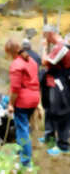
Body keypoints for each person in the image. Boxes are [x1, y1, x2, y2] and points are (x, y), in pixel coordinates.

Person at [5, 39, 40, 168]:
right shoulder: (32, 61)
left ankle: (25, 162)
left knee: (23, 130)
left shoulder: (16, 65)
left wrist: (10, 104)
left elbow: (15, 90)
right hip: (34, 98)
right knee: (23, 127)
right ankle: (21, 152)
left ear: (9, 52)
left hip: (23, 100)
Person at [41, 24, 70, 156]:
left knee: (61, 113)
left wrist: (44, 47)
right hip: (52, 83)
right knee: (50, 110)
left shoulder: (61, 47)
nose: (44, 38)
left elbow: (44, 62)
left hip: (60, 84)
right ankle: (50, 136)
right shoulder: (58, 46)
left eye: (44, 35)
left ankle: (63, 145)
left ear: (50, 34)